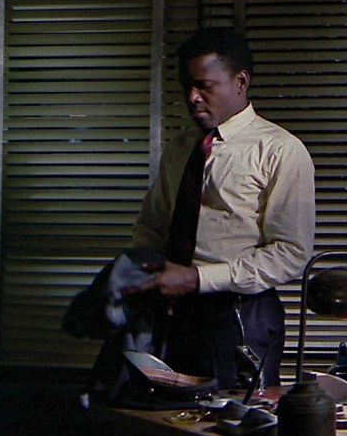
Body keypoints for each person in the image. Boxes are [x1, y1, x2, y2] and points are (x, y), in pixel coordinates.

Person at [125, 27, 316, 389]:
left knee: (235, 414)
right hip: (171, 315)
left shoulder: (280, 151)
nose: (192, 97)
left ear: (240, 82)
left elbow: (290, 252)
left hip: (240, 317)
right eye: (187, 86)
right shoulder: (181, 147)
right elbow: (152, 224)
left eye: (205, 86)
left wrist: (198, 279)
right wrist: (140, 272)